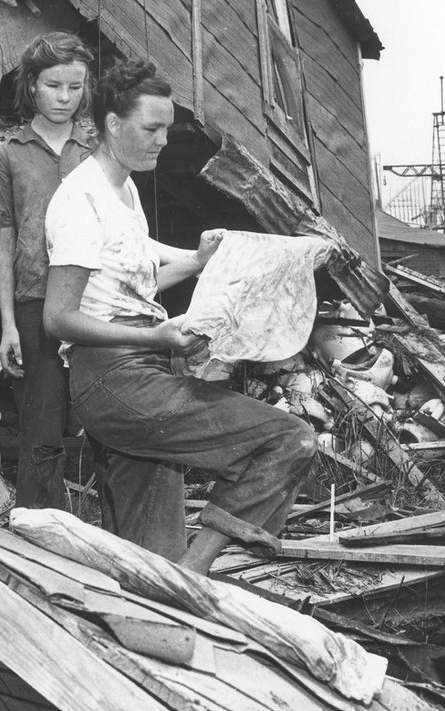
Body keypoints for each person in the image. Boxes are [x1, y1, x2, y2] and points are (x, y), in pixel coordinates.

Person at [42, 60, 317, 574]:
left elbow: (131, 283)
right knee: (288, 438)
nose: (163, 140)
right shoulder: (79, 199)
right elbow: (58, 318)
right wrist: (159, 338)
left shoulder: (122, 192)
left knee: (149, 561)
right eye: (151, 128)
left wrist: (196, 261)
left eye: (167, 128)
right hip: (116, 378)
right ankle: (192, 578)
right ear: (111, 124)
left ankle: (161, 598)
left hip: (139, 369)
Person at [0, 32, 95, 510]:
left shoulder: (95, 151)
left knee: (102, 418)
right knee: (42, 427)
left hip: (94, 302)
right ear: (32, 85)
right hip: (35, 304)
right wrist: (8, 325)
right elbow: (4, 239)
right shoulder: (7, 154)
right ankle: (40, 531)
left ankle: (106, 530)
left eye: (75, 87)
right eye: (54, 86)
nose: (65, 98)